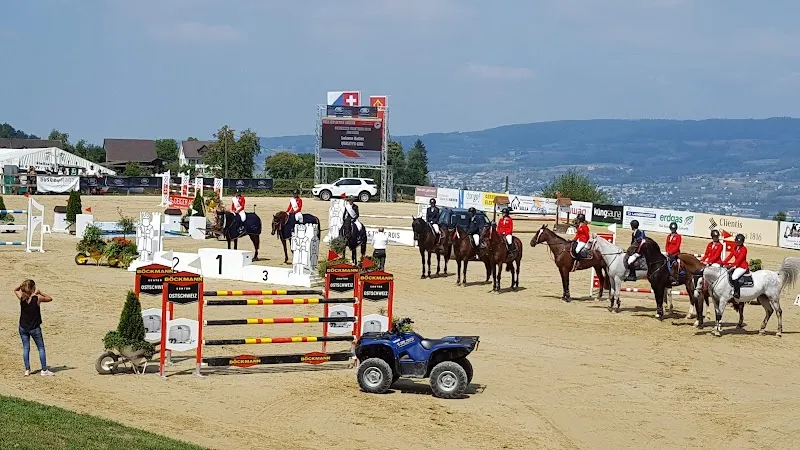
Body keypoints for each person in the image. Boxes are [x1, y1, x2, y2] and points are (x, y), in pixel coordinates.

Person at [13, 280, 54, 377]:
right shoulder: (37, 298)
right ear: (33, 288)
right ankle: (44, 370)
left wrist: (21, 286)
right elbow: (49, 298)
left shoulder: (22, 297)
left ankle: (27, 369)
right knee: (41, 348)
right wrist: (40, 292)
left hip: (23, 327)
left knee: (26, 348)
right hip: (34, 328)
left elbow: (15, 290)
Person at [723, 233, 748, 299]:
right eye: (737, 241)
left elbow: (740, 259)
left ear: (742, 242)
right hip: (736, 265)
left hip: (742, 266)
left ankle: (737, 292)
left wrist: (731, 265)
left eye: (740, 241)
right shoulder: (734, 247)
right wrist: (723, 262)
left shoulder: (744, 249)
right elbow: (730, 256)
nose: (738, 242)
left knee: (734, 276)